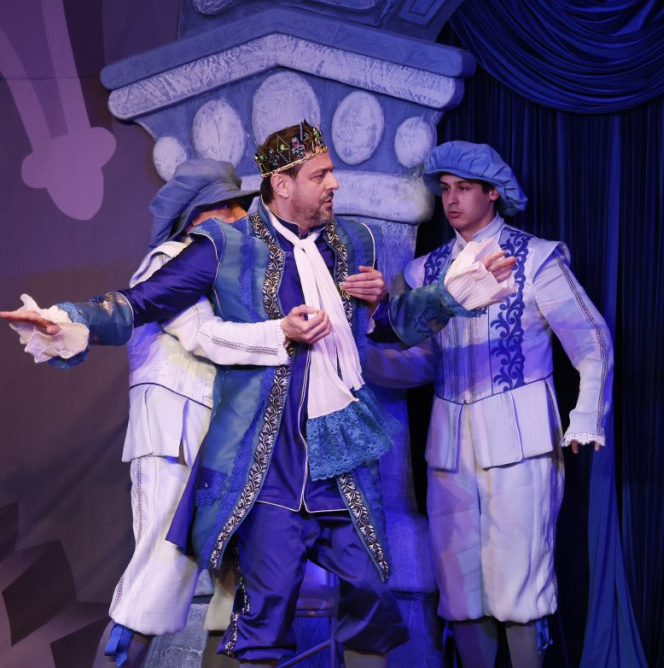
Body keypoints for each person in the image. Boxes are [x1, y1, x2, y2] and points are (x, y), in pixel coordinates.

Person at [2, 123, 514, 666]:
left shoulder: (351, 242)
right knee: (262, 611)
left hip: (338, 451)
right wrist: (69, 319)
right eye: (320, 175)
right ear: (283, 185)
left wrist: (442, 296)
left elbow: (387, 327)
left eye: (332, 172)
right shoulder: (225, 246)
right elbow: (142, 302)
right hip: (267, 456)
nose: (334, 184)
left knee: (370, 596)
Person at [367, 141, 614, 668]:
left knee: (519, 584)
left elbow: (591, 340)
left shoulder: (536, 258)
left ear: (493, 193)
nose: (451, 200)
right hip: (450, 446)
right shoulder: (424, 272)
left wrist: (586, 415)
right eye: (445, 190)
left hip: (520, 438)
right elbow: (423, 364)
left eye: (464, 189)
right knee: (460, 588)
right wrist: (357, 360)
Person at [93, 159, 290, 668]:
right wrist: (285, 334)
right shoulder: (173, 260)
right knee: (158, 575)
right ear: (199, 216)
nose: (242, 217)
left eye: (241, 207)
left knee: (240, 578)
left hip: (218, 440)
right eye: (230, 208)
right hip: (173, 438)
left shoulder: (229, 268)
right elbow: (203, 335)